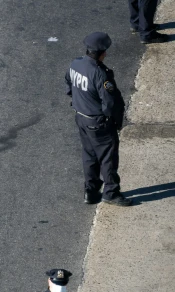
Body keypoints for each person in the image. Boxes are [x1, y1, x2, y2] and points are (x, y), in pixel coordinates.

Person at [65, 32, 132, 206]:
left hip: (81, 118)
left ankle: (91, 191)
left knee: (89, 156)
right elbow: (109, 104)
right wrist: (114, 122)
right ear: (102, 52)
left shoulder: (75, 64)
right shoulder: (100, 74)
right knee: (107, 158)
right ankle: (111, 192)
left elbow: (69, 83)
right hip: (98, 123)